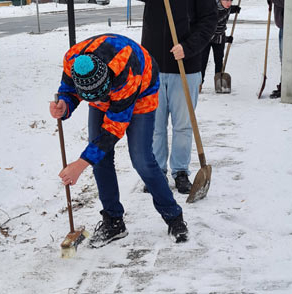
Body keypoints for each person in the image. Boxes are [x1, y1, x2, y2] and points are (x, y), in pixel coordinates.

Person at [49, 33, 188, 247]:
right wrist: (64, 105)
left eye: (100, 95)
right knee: (101, 160)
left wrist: (80, 164)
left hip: (141, 91)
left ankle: (174, 217)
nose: (100, 101)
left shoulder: (126, 71)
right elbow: (68, 91)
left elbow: (113, 130)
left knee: (142, 159)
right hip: (109, 88)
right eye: (91, 97)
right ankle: (114, 222)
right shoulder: (72, 60)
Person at [118, 0, 217, 194]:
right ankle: (157, 171)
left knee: (183, 125)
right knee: (156, 127)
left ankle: (181, 171)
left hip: (186, 68)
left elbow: (210, 21)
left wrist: (188, 47)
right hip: (153, 70)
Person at [200, 0, 241, 90]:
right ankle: (199, 83)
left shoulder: (226, 7)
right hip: (207, 37)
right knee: (203, 61)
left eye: (230, 1)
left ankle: (219, 83)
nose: (229, 3)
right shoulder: (213, 10)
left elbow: (227, 9)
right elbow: (212, 29)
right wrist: (226, 39)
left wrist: (233, 9)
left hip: (220, 38)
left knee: (219, 61)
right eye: (226, 0)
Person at [262, 0, 285, 99]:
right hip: (283, 24)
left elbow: (288, 0)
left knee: (285, 57)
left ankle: (285, 86)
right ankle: (284, 85)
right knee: (283, 57)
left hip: (287, 24)